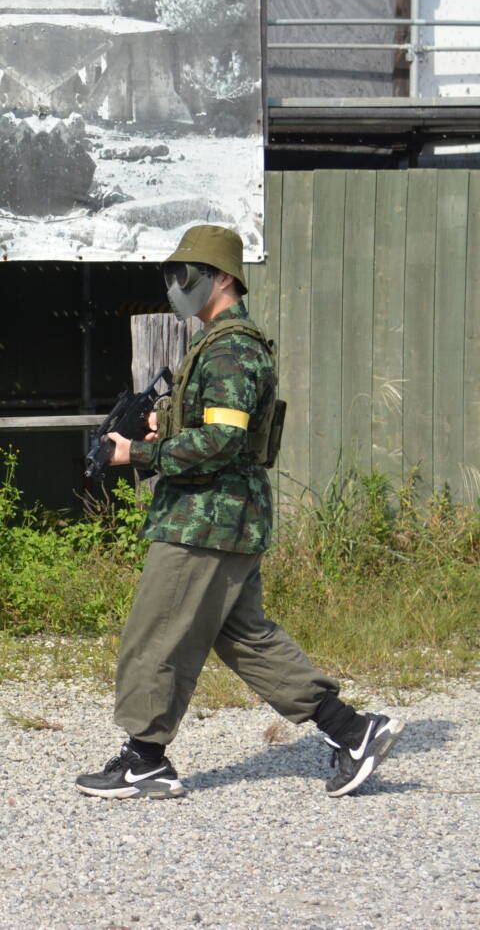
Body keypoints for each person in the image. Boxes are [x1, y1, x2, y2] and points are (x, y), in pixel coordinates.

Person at [76, 225, 403, 799]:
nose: (176, 286)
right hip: (222, 517)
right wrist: (161, 425)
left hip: (205, 520)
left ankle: (144, 760)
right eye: (171, 275)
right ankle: (354, 731)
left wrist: (138, 454)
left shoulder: (231, 349)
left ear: (223, 276)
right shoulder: (218, 343)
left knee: (157, 634)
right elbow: (216, 429)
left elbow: (222, 443)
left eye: (186, 274)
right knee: (243, 636)